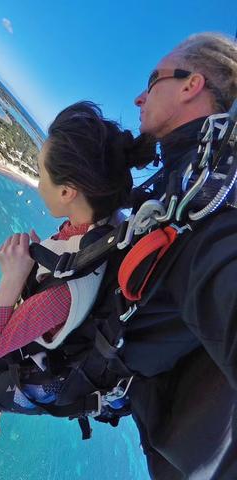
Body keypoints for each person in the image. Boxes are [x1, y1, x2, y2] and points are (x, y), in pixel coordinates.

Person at [0, 101, 155, 438]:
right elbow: (68, 251)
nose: (38, 185)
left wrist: (12, 278)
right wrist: (42, 260)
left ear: (67, 192)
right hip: (39, 326)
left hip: (21, 354)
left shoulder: (65, 289)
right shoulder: (104, 226)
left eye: (41, 175)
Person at [111, 33, 237, 479]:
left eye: (153, 80)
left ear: (191, 85)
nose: (139, 95)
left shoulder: (210, 205)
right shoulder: (189, 184)